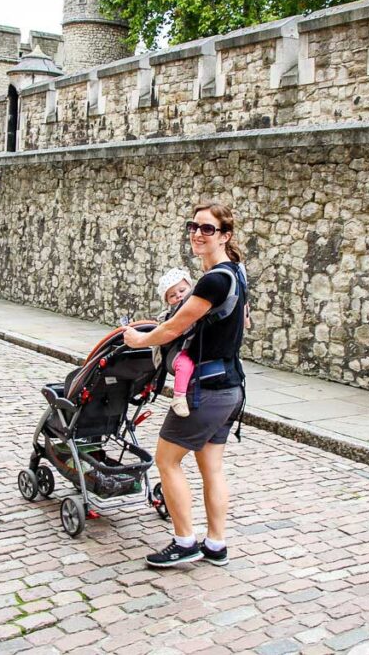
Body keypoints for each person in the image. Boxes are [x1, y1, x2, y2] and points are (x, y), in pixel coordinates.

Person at [122, 203, 248, 568]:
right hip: (231, 385)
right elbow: (244, 320)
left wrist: (138, 340)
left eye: (208, 229)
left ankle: (184, 541)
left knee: (166, 460)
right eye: (194, 226)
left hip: (205, 390)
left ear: (224, 236)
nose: (197, 233)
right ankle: (216, 544)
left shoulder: (213, 280)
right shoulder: (237, 274)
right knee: (211, 467)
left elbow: (174, 327)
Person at [156, 268, 196, 417]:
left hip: (198, 347)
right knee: (184, 364)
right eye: (172, 295)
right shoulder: (168, 315)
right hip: (179, 351)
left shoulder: (198, 305)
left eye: (182, 290)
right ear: (167, 301)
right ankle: (179, 397)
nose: (178, 295)